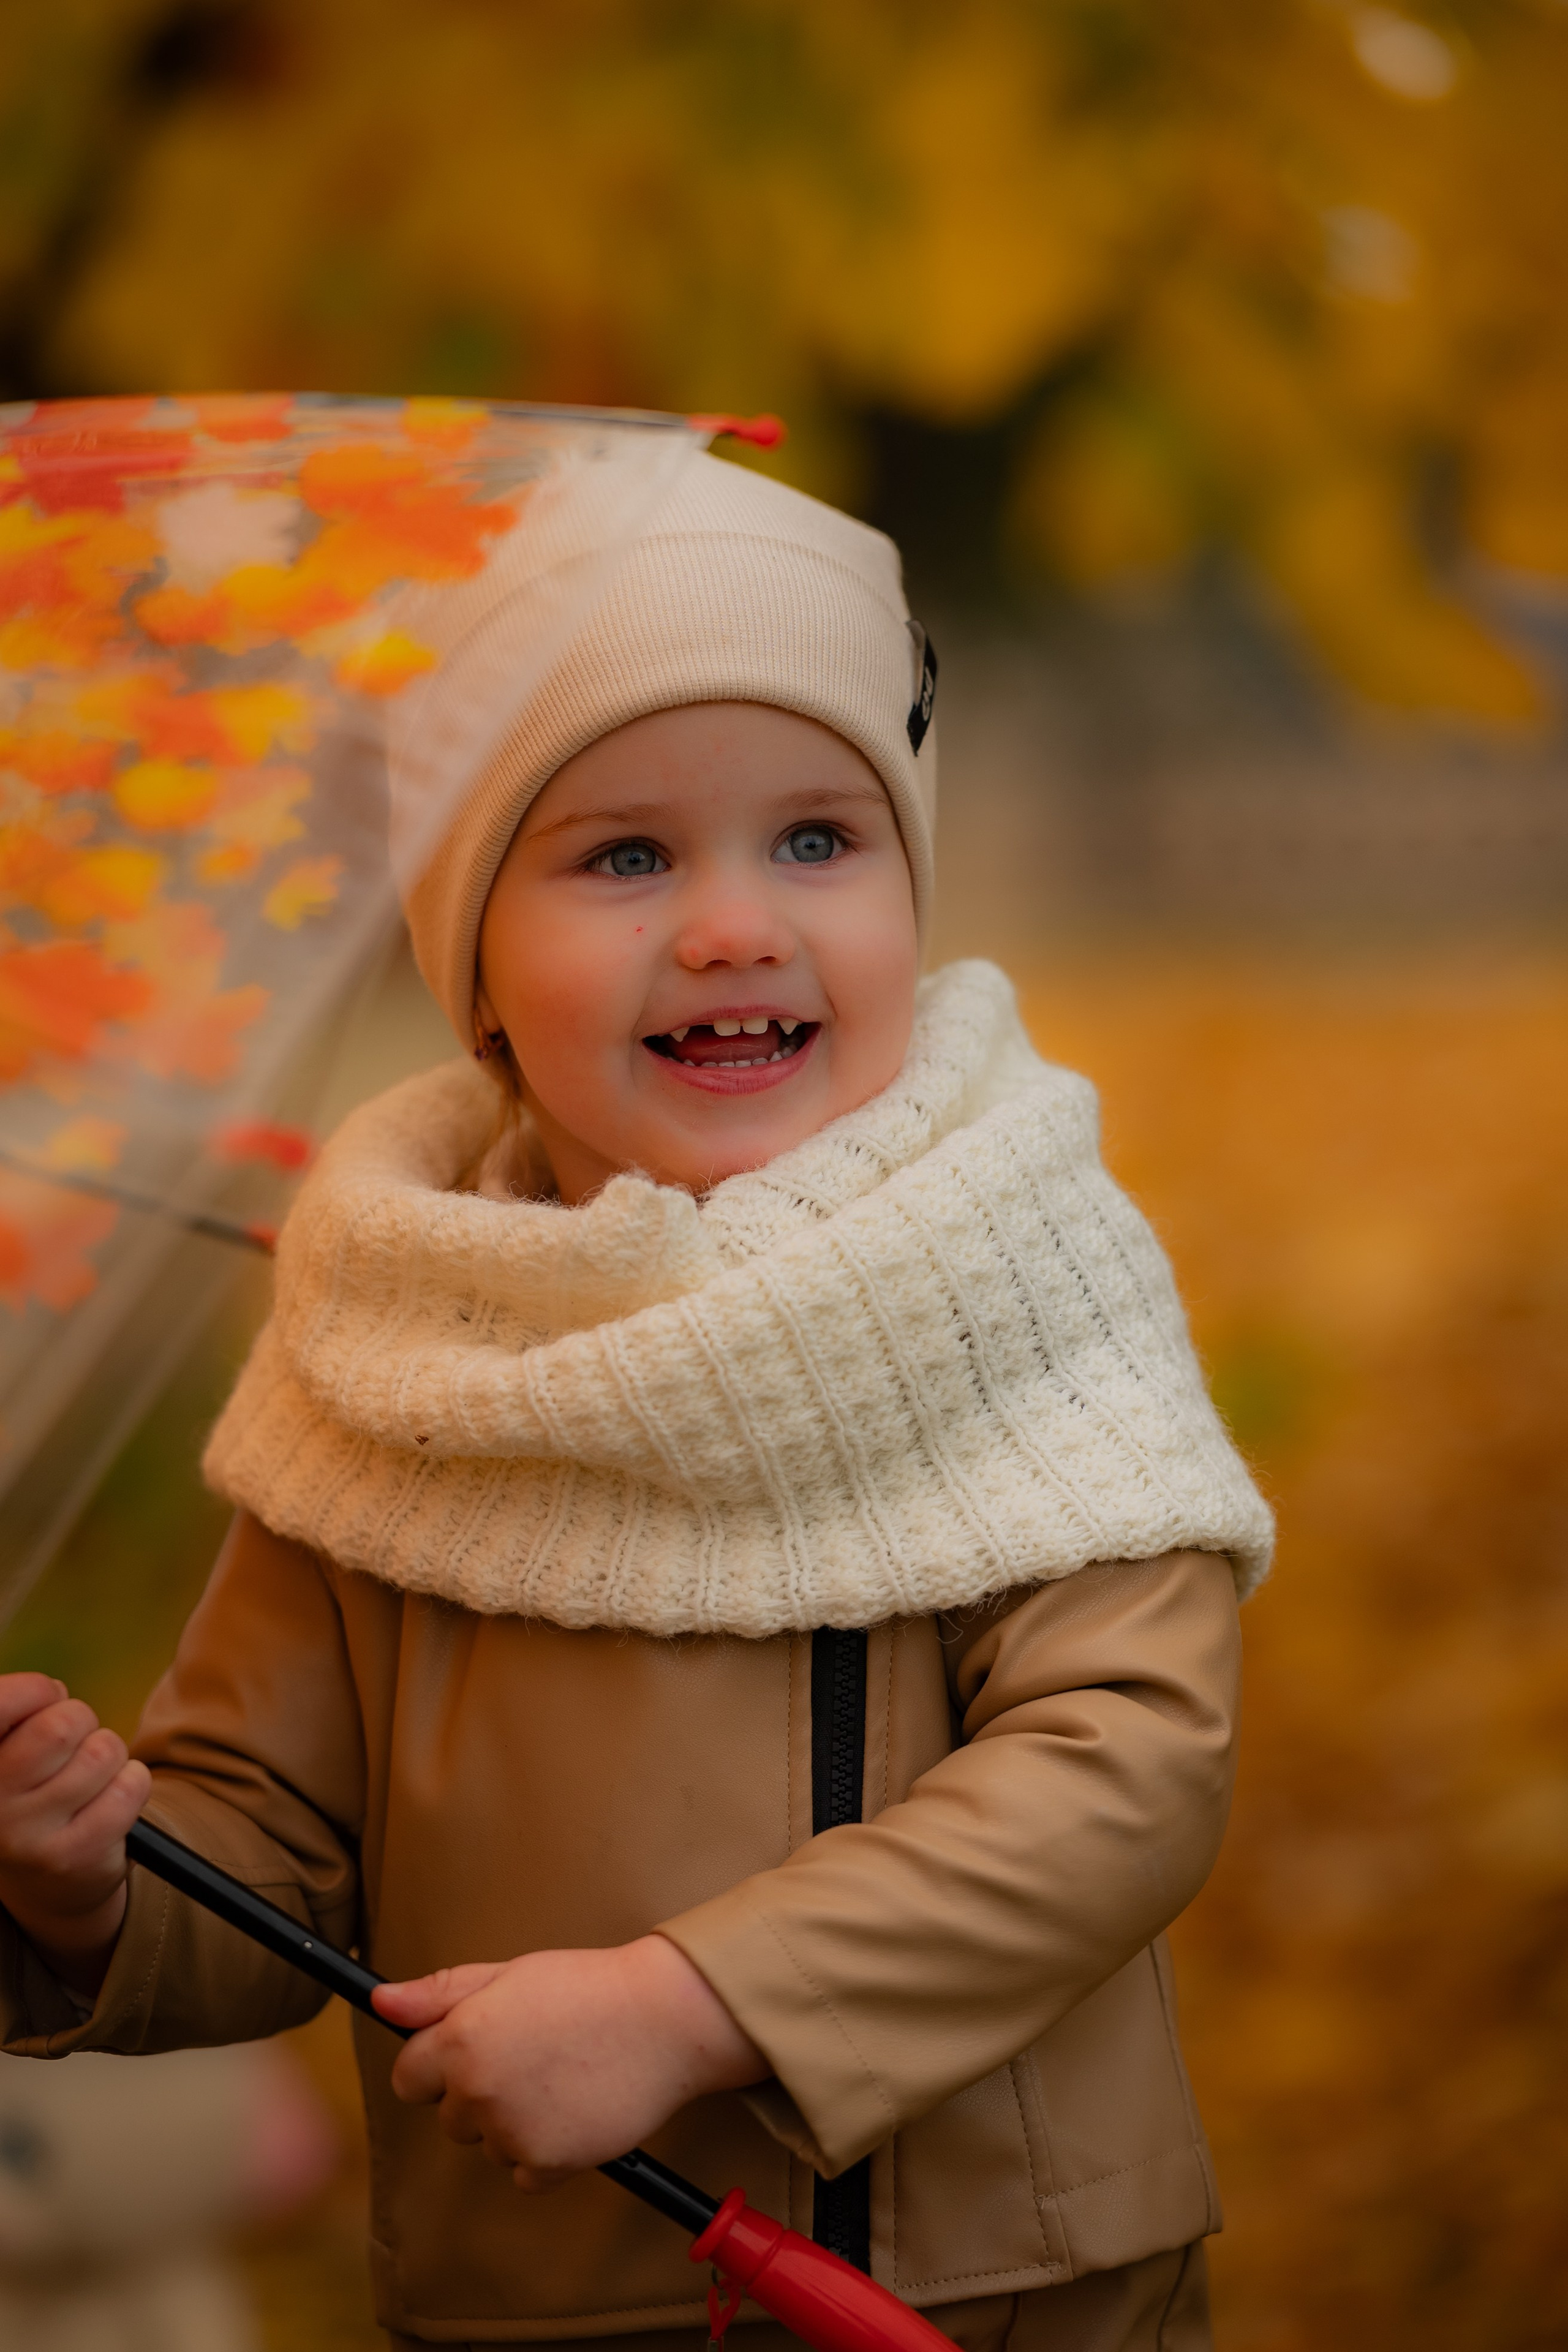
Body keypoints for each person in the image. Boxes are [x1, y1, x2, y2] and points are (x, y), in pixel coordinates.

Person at [0, 454, 1272, 2352]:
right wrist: (93, 1884)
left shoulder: (1010, 1258)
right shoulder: (393, 1344)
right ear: (478, 975)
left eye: (820, 841)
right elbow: (269, 1841)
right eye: (623, 857)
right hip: (551, 2290)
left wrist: (694, 2002)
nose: (736, 925)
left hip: (1010, 2290)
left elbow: (1127, 1763)